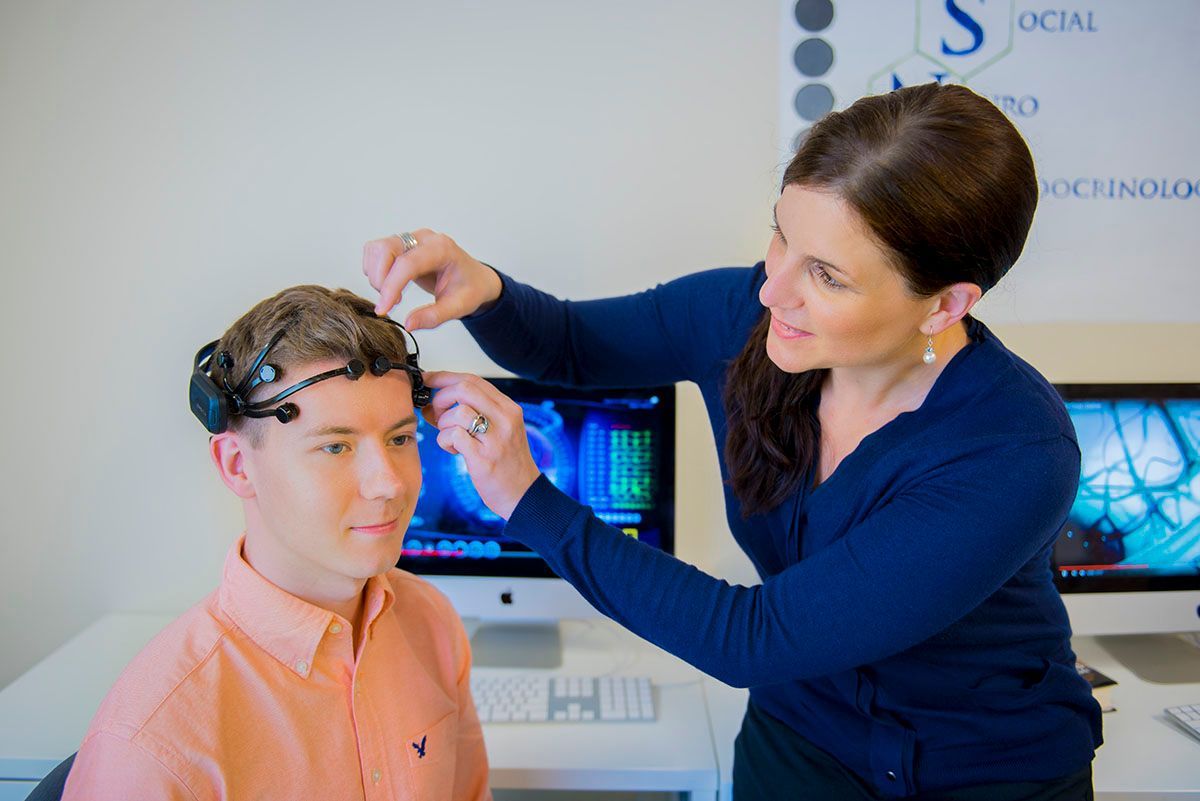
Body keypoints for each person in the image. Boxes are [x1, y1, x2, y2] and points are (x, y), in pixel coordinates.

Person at [363, 82, 1102, 800]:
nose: (773, 289)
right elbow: (569, 345)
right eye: (782, 233)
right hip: (800, 748)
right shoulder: (746, 315)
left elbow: (754, 638)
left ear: (945, 303)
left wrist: (527, 499)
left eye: (827, 276)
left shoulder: (1015, 450)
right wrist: (480, 285)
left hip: (984, 769)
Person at [63, 286, 491, 800]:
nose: (390, 484)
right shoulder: (152, 746)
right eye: (335, 446)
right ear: (237, 465)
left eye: (400, 439)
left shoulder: (432, 624)